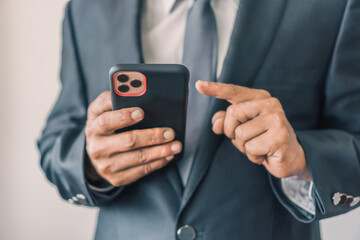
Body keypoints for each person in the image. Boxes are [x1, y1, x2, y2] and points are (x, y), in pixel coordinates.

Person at [38, 0, 360, 239]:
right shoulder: (87, 10)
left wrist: (301, 157)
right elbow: (57, 140)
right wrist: (90, 163)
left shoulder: (333, 6)